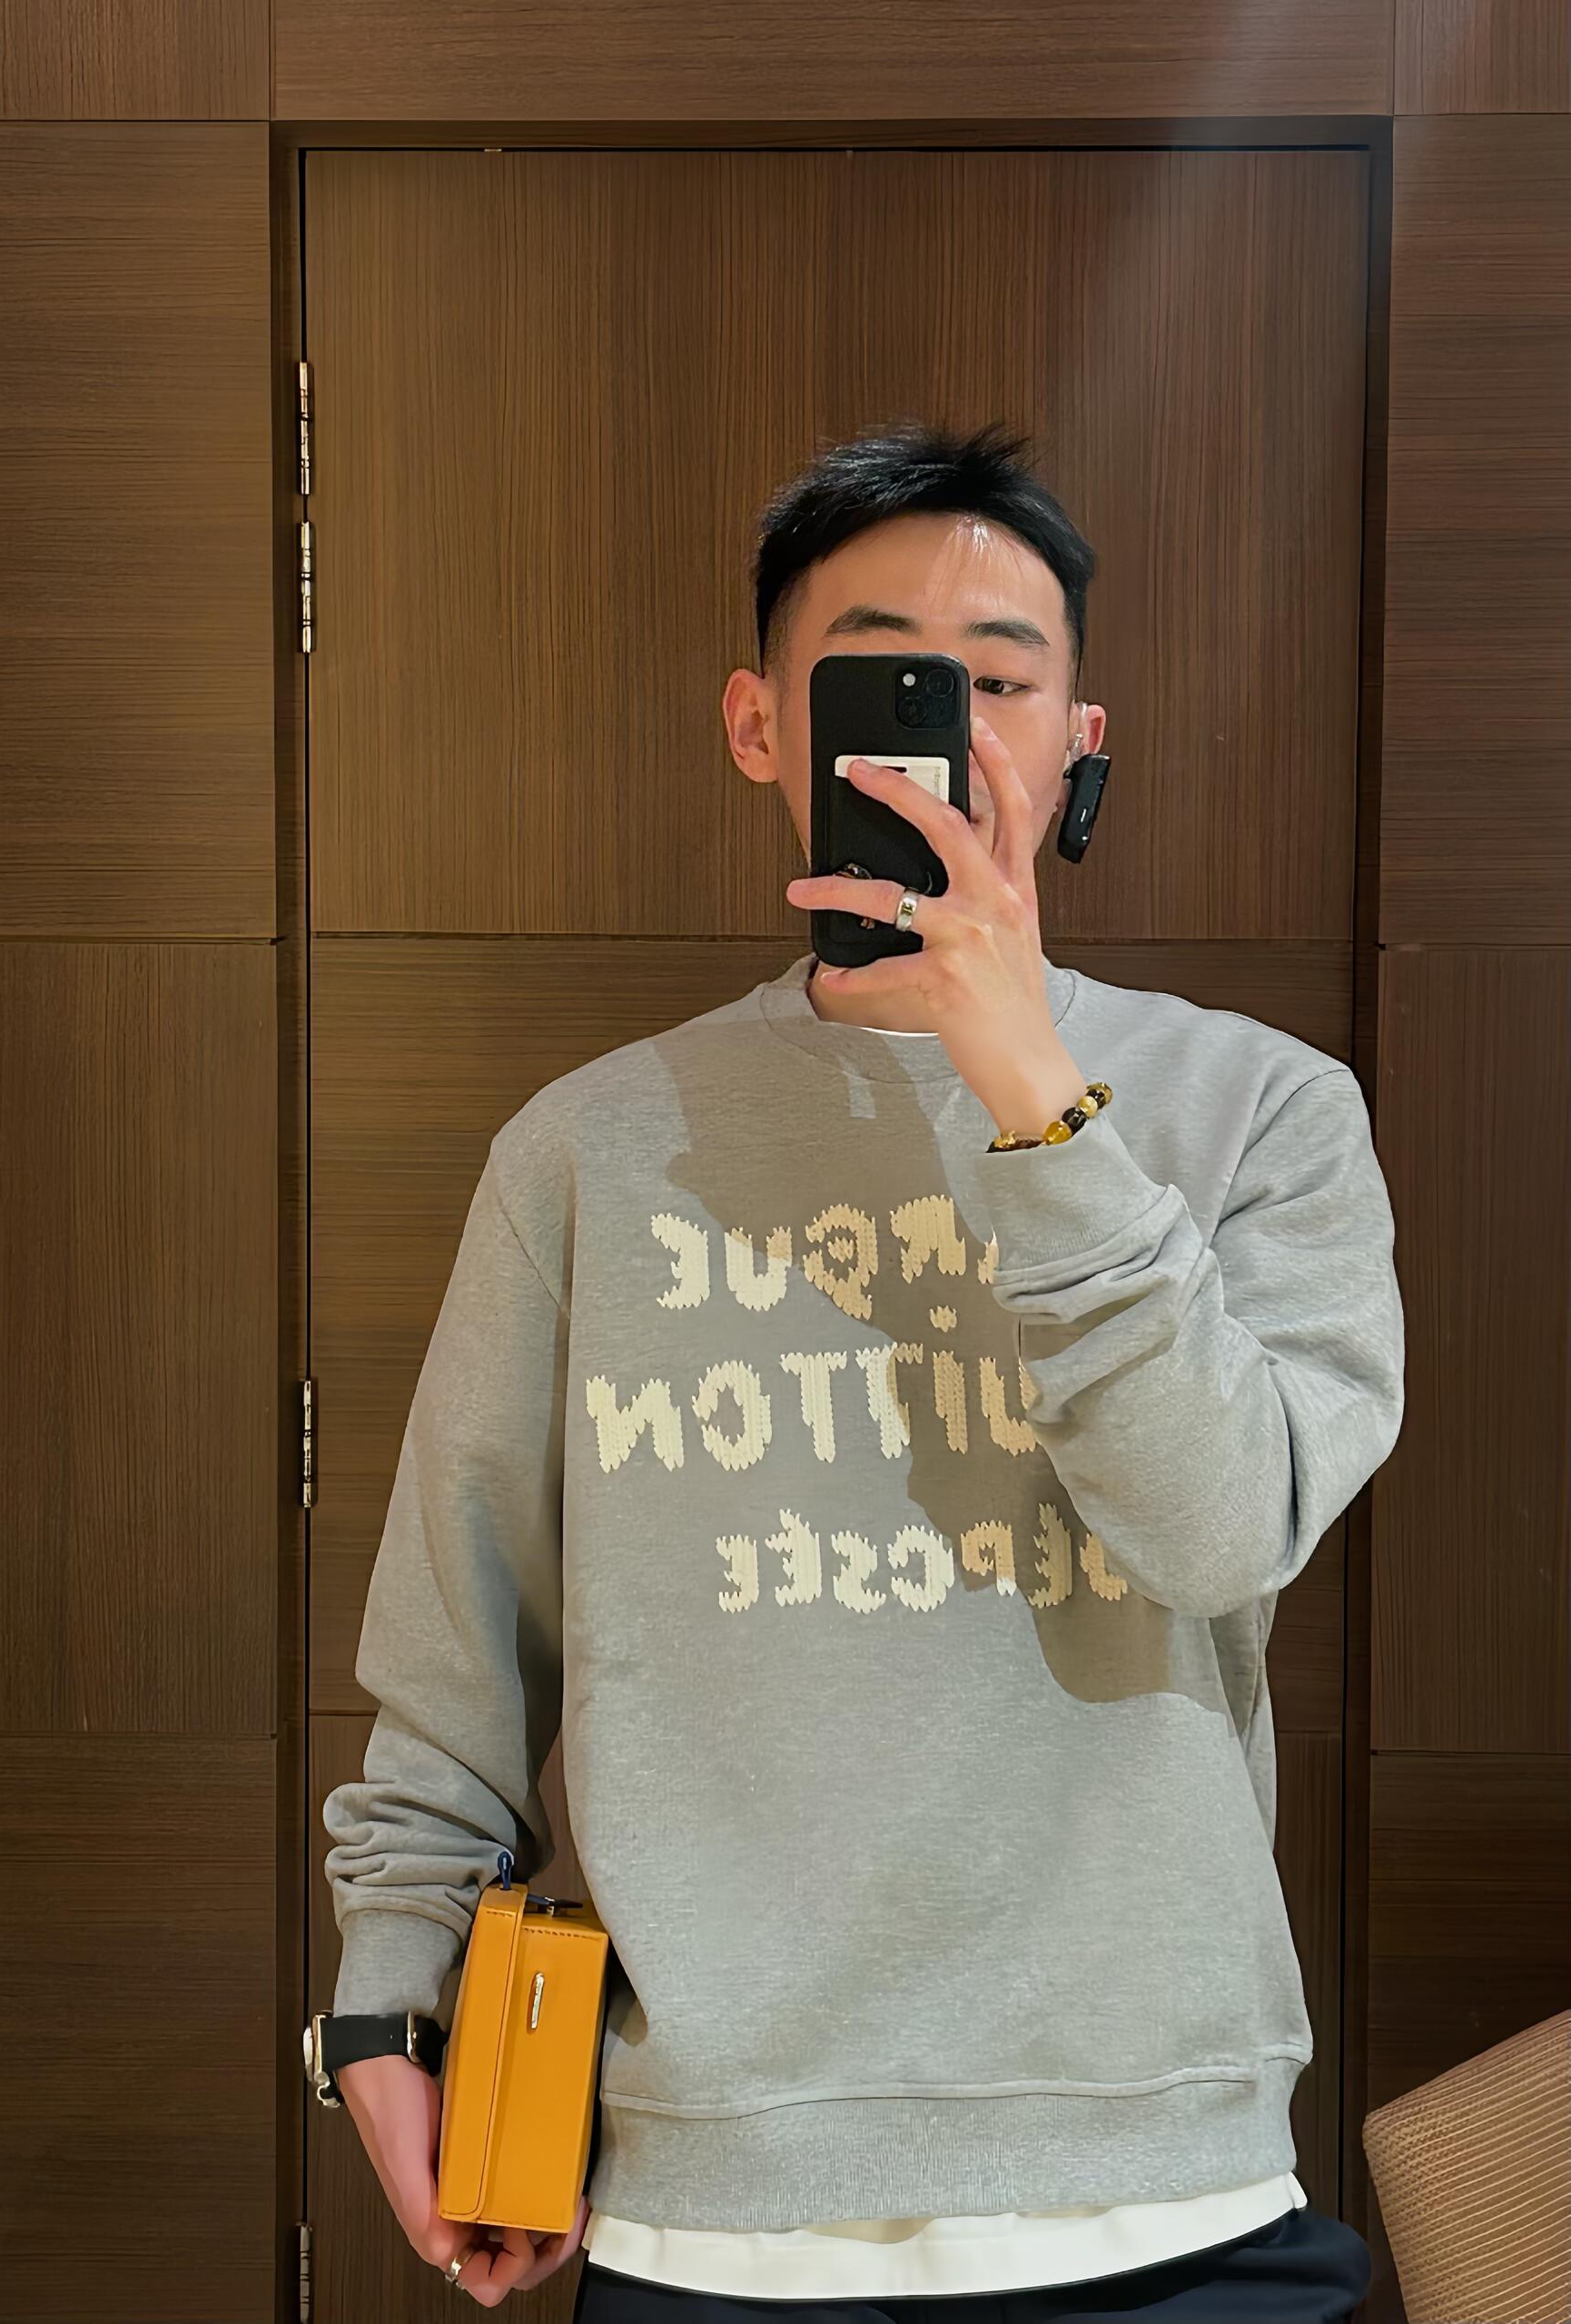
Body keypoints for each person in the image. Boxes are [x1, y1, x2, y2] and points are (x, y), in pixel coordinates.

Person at [317, 421, 1402, 2319]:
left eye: (1003, 679)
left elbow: (1221, 1530)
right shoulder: (589, 1150)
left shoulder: (1263, 1113)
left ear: (1080, 742)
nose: (948, 730)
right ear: (762, 727)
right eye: (885, 674)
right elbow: (457, 1646)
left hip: (1162, 2194)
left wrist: (1030, 1091)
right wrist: (383, 2002)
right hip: (712, 2205)